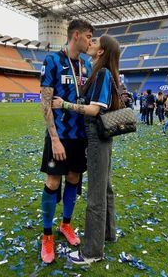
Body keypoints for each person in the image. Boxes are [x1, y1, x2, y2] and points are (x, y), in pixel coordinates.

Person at [52, 34, 120, 264]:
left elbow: (94, 110)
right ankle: (109, 234)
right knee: (106, 188)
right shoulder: (100, 71)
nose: (90, 44)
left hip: (96, 136)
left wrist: (65, 105)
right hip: (102, 137)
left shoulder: (102, 73)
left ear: (101, 52)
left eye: (95, 42)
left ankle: (92, 251)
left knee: (96, 195)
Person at [40, 19, 93, 264]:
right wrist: (54, 139)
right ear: (76, 35)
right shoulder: (52, 60)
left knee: (73, 178)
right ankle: (47, 235)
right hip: (59, 136)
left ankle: (66, 224)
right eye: (89, 37)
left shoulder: (88, 64)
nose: (90, 41)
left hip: (79, 137)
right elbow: (45, 102)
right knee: (53, 181)